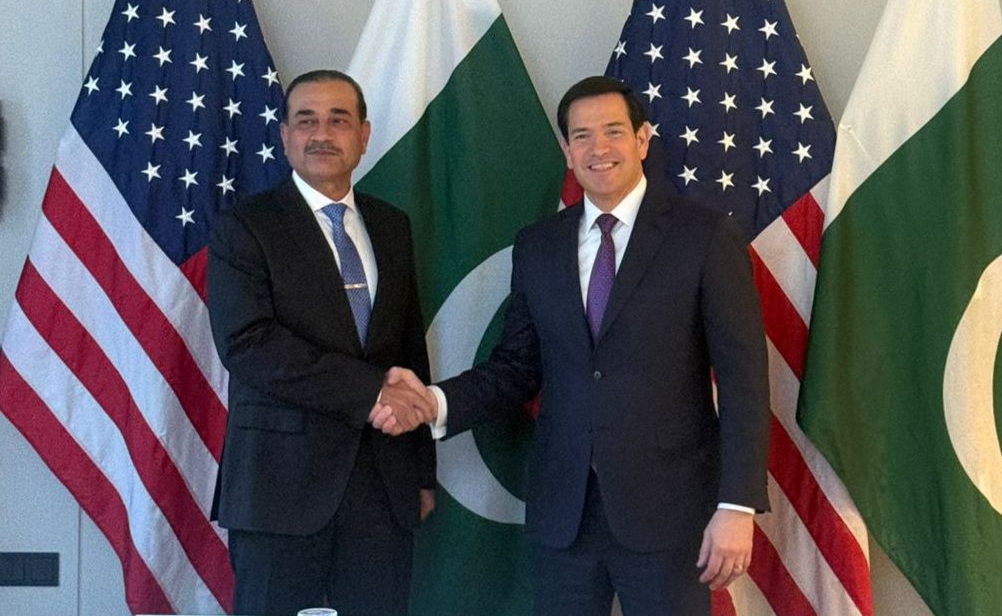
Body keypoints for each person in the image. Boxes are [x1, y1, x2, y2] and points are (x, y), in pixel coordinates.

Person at [375, 75, 769, 616]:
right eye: (582, 136)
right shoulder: (539, 245)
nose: (598, 148)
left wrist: (737, 504)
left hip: (670, 515)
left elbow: (745, 381)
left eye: (613, 131)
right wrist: (433, 402)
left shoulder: (703, 236)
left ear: (642, 139)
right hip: (564, 518)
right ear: (566, 150)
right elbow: (516, 367)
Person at [207, 69, 435, 616]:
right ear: (285, 135)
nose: (322, 134)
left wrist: (421, 470)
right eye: (306, 120)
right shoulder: (246, 226)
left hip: (383, 484)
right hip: (278, 484)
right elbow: (248, 343)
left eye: (339, 120)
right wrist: (371, 392)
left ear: (364, 135)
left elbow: (409, 351)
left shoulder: (392, 225)